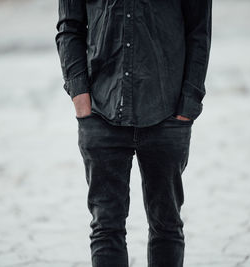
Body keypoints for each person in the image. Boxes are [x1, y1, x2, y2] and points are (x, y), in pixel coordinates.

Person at [55, 0, 212, 266]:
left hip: (167, 113)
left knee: (167, 226)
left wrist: (187, 105)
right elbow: (69, 28)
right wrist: (81, 100)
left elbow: (198, 33)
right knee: (106, 228)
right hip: (101, 112)